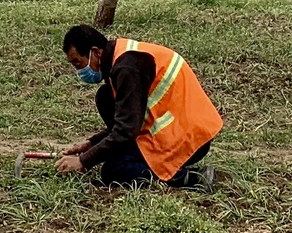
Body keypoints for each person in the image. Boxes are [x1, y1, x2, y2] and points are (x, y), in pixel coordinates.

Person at [56, 24, 222, 190]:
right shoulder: (122, 56)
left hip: (189, 137)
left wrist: (83, 161)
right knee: (105, 96)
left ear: (96, 52)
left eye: (78, 63)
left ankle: (191, 177)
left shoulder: (127, 68)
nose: (79, 71)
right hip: (180, 128)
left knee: (115, 170)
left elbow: (125, 131)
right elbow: (127, 119)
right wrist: (92, 144)